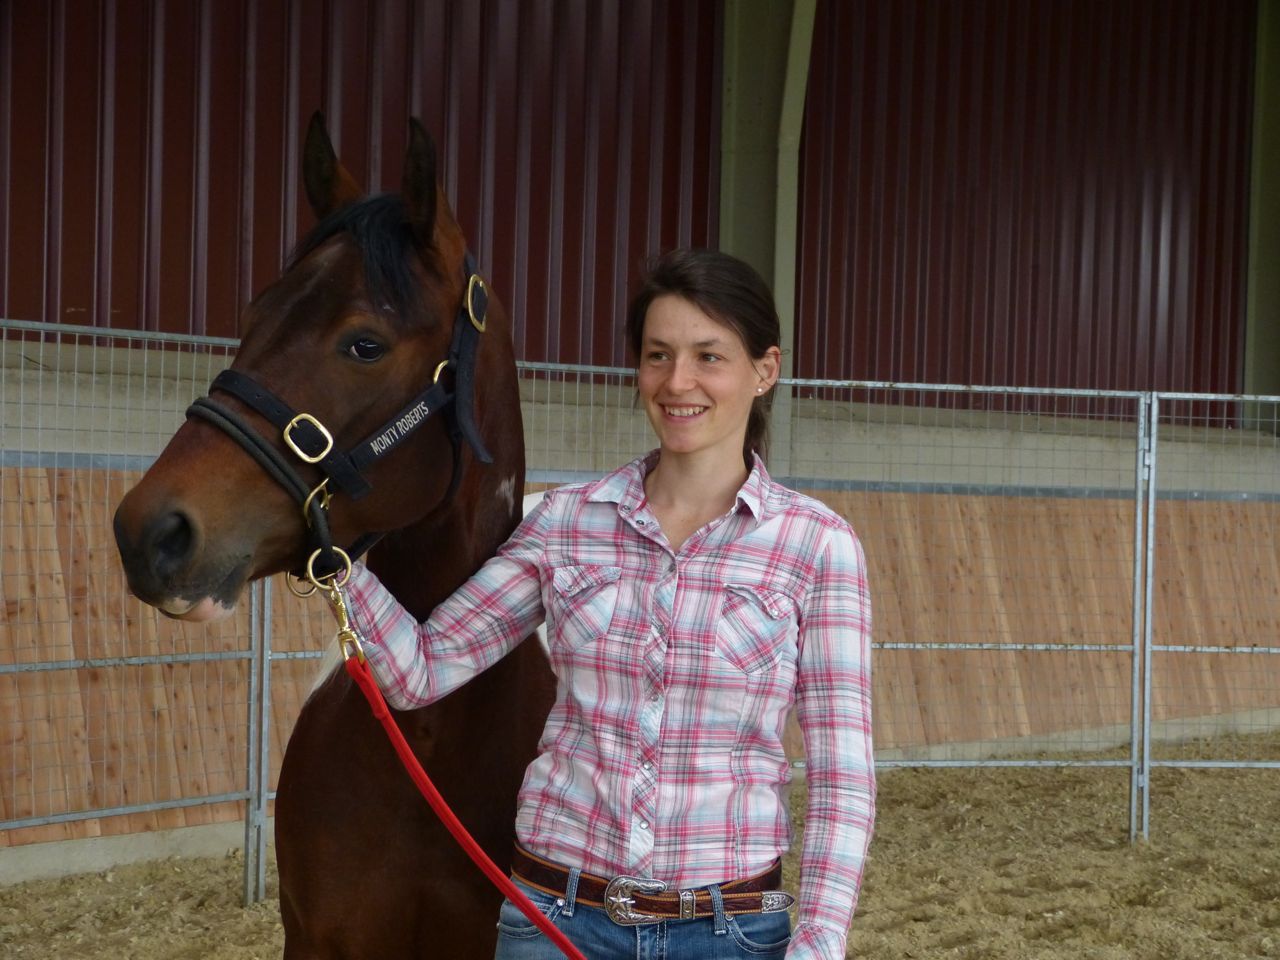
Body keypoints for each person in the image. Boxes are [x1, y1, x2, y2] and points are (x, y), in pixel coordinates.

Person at [341, 248, 875, 959]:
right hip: (557, 919)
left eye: (708, 357)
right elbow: (423, 670)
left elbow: (842, 777)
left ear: (765, 370)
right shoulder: (567, 522)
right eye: (658, 355)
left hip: (730, 933)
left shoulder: (817, 546)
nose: (677, 382)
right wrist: (336, 563)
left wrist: (820, 939)